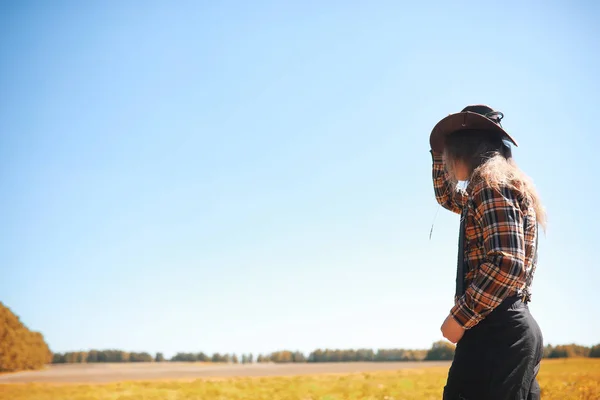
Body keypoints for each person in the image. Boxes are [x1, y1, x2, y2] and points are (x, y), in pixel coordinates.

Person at [429, 105, 545, 400]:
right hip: (499, 331)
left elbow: (507, 263)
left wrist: (459, 317)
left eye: (448, 153)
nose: (447, 161)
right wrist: (435, 151)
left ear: (464, 149)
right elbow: (447, 197)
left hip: (499, 333)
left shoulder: (490, 186)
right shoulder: (490, 185)